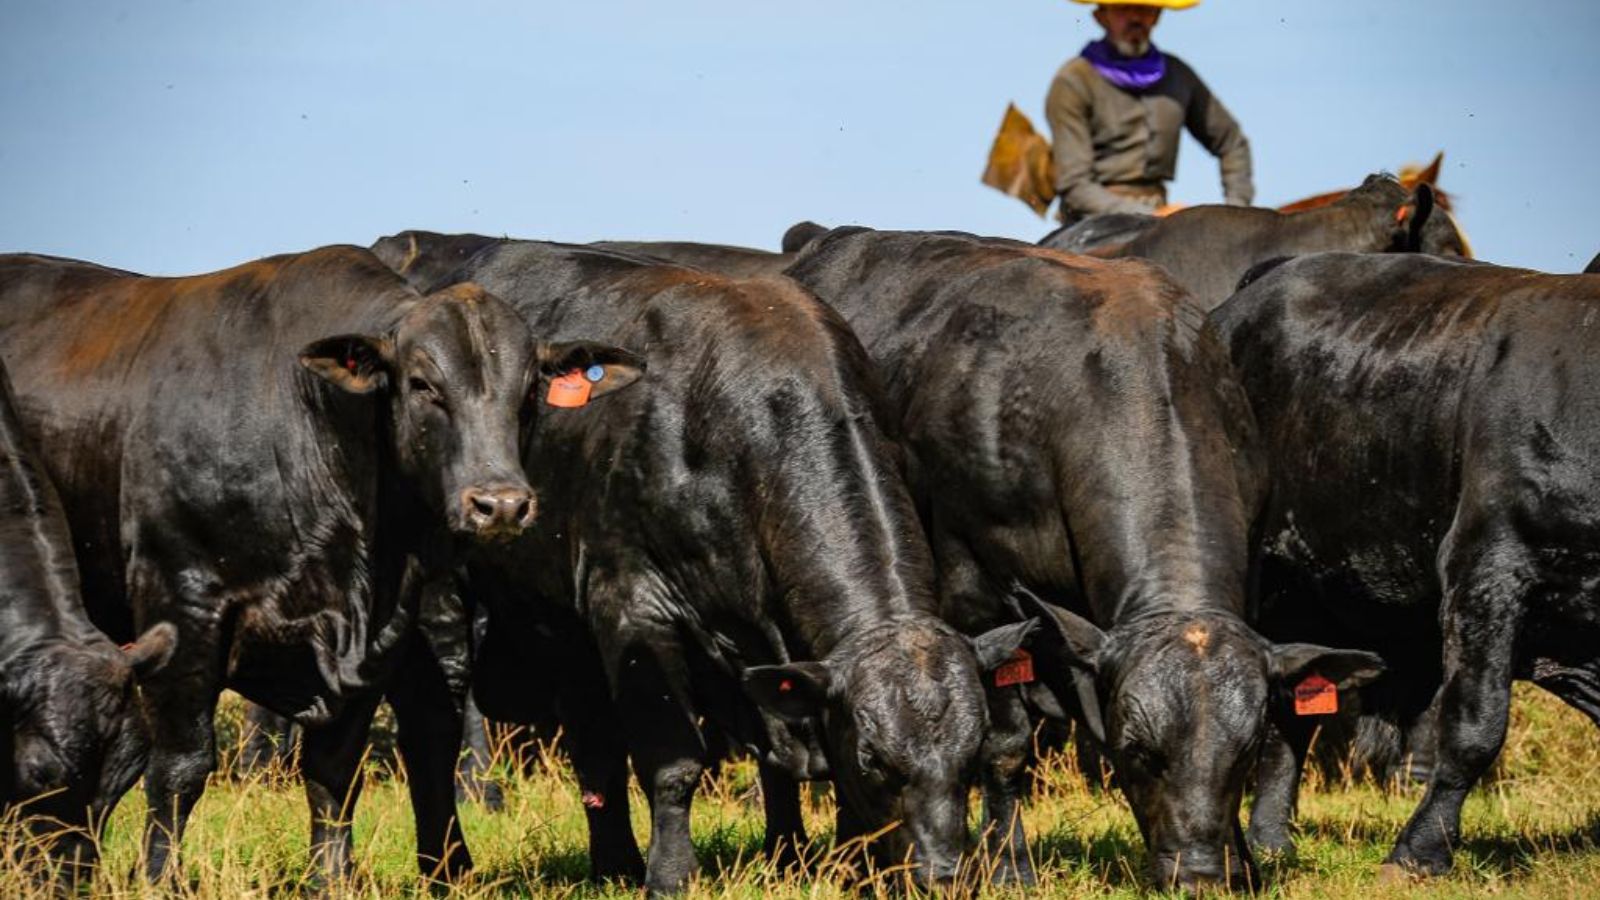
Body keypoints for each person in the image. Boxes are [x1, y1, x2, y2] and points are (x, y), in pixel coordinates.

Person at [1046, 0, 1253, 224]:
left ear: (1157, 16)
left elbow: (1232, 142)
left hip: (1160, 221)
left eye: (1145, 9)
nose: (1135, 18)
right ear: (1101, 16)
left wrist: (1235, 212)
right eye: (1124, 9)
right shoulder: (1073, 81)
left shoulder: (1178, 75)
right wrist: (1151, 217)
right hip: (1092, 225)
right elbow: (1075, 186)